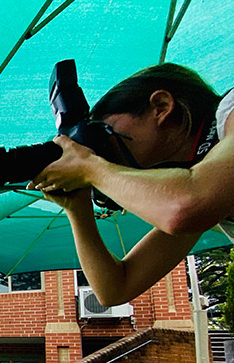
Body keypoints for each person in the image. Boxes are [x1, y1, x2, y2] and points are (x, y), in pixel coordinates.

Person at [28, 63, 234, 306]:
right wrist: (78, 209)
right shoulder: (197, 179)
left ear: (161, 107)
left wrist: (90, 168)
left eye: (106, 132)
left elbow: (186, 207)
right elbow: (115, 289)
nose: (105, 153)